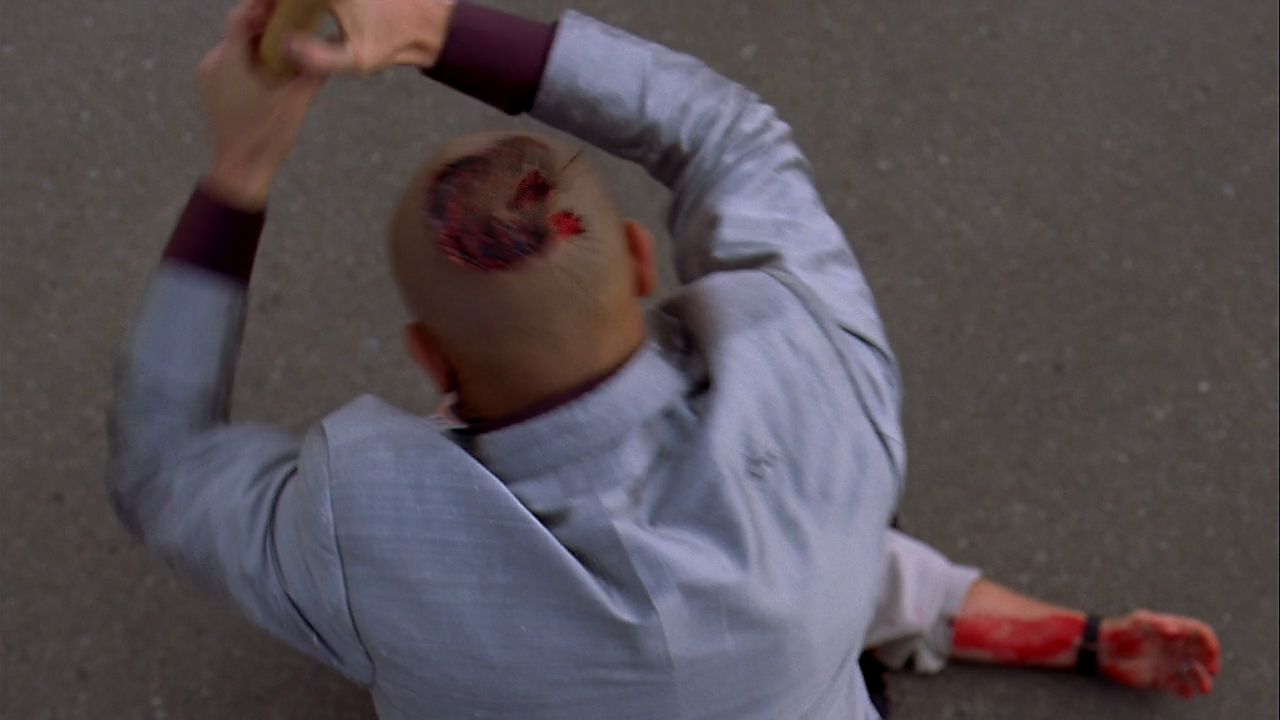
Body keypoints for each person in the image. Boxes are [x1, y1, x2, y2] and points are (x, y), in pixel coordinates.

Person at [106, 1, 1218, 718]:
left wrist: (239, 170)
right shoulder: (813, 365)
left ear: (427, 359)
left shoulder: (359, 538)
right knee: (828, 562)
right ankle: (1063, 636)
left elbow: (162, 468)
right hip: (798, 637)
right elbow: (725, 134)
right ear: (640, 258)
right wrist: (431, 26)